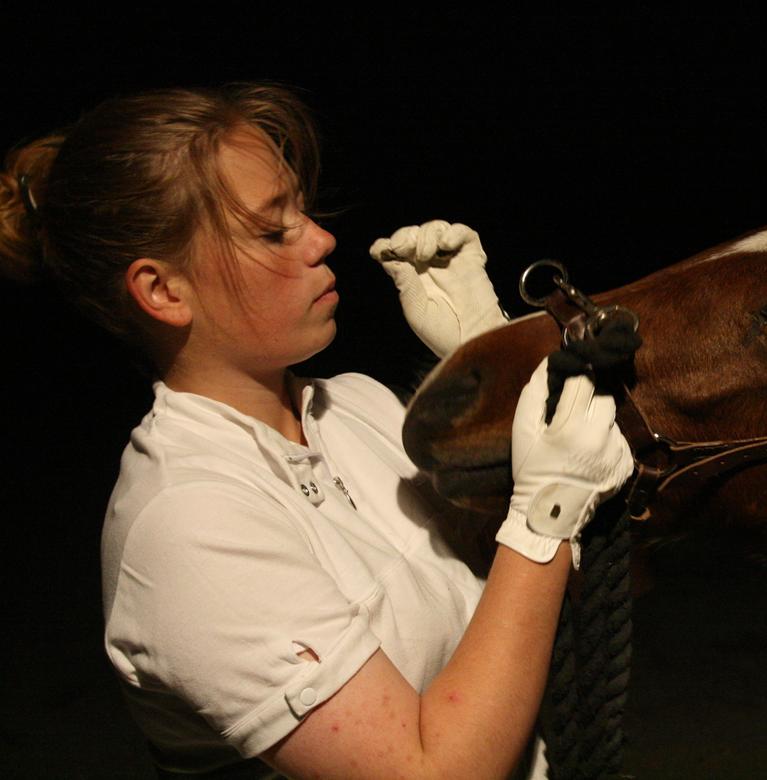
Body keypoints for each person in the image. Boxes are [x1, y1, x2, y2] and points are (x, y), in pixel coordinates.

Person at [0, 83, 633, 779]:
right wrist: (546, 512)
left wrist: (495, 365)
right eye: (274, 229)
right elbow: (432, 771)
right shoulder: (187, 523)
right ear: (164, 292)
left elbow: (532, 601)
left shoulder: (353, 406)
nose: (323, 238)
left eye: (302, 208)